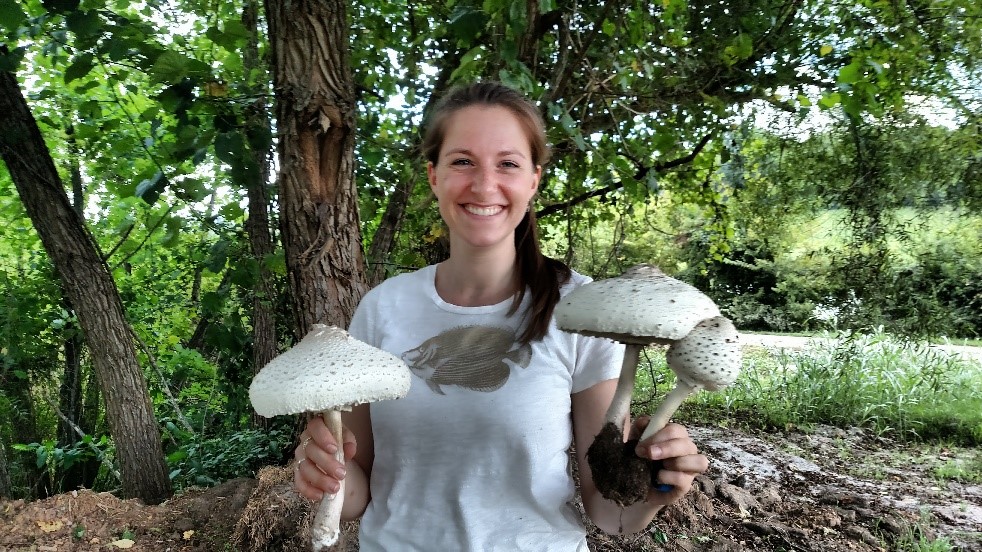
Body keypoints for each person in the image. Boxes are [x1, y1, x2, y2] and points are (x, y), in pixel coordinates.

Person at [294, 81, 708, 550]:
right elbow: (355, 498)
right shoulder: (381, 308)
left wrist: (656, 488)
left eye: (508, 163)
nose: (484, 184)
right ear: (434, 176)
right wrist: (324, 475)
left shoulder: (583, 310)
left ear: (533, 179)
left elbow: (608, 513)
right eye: (462, 161)